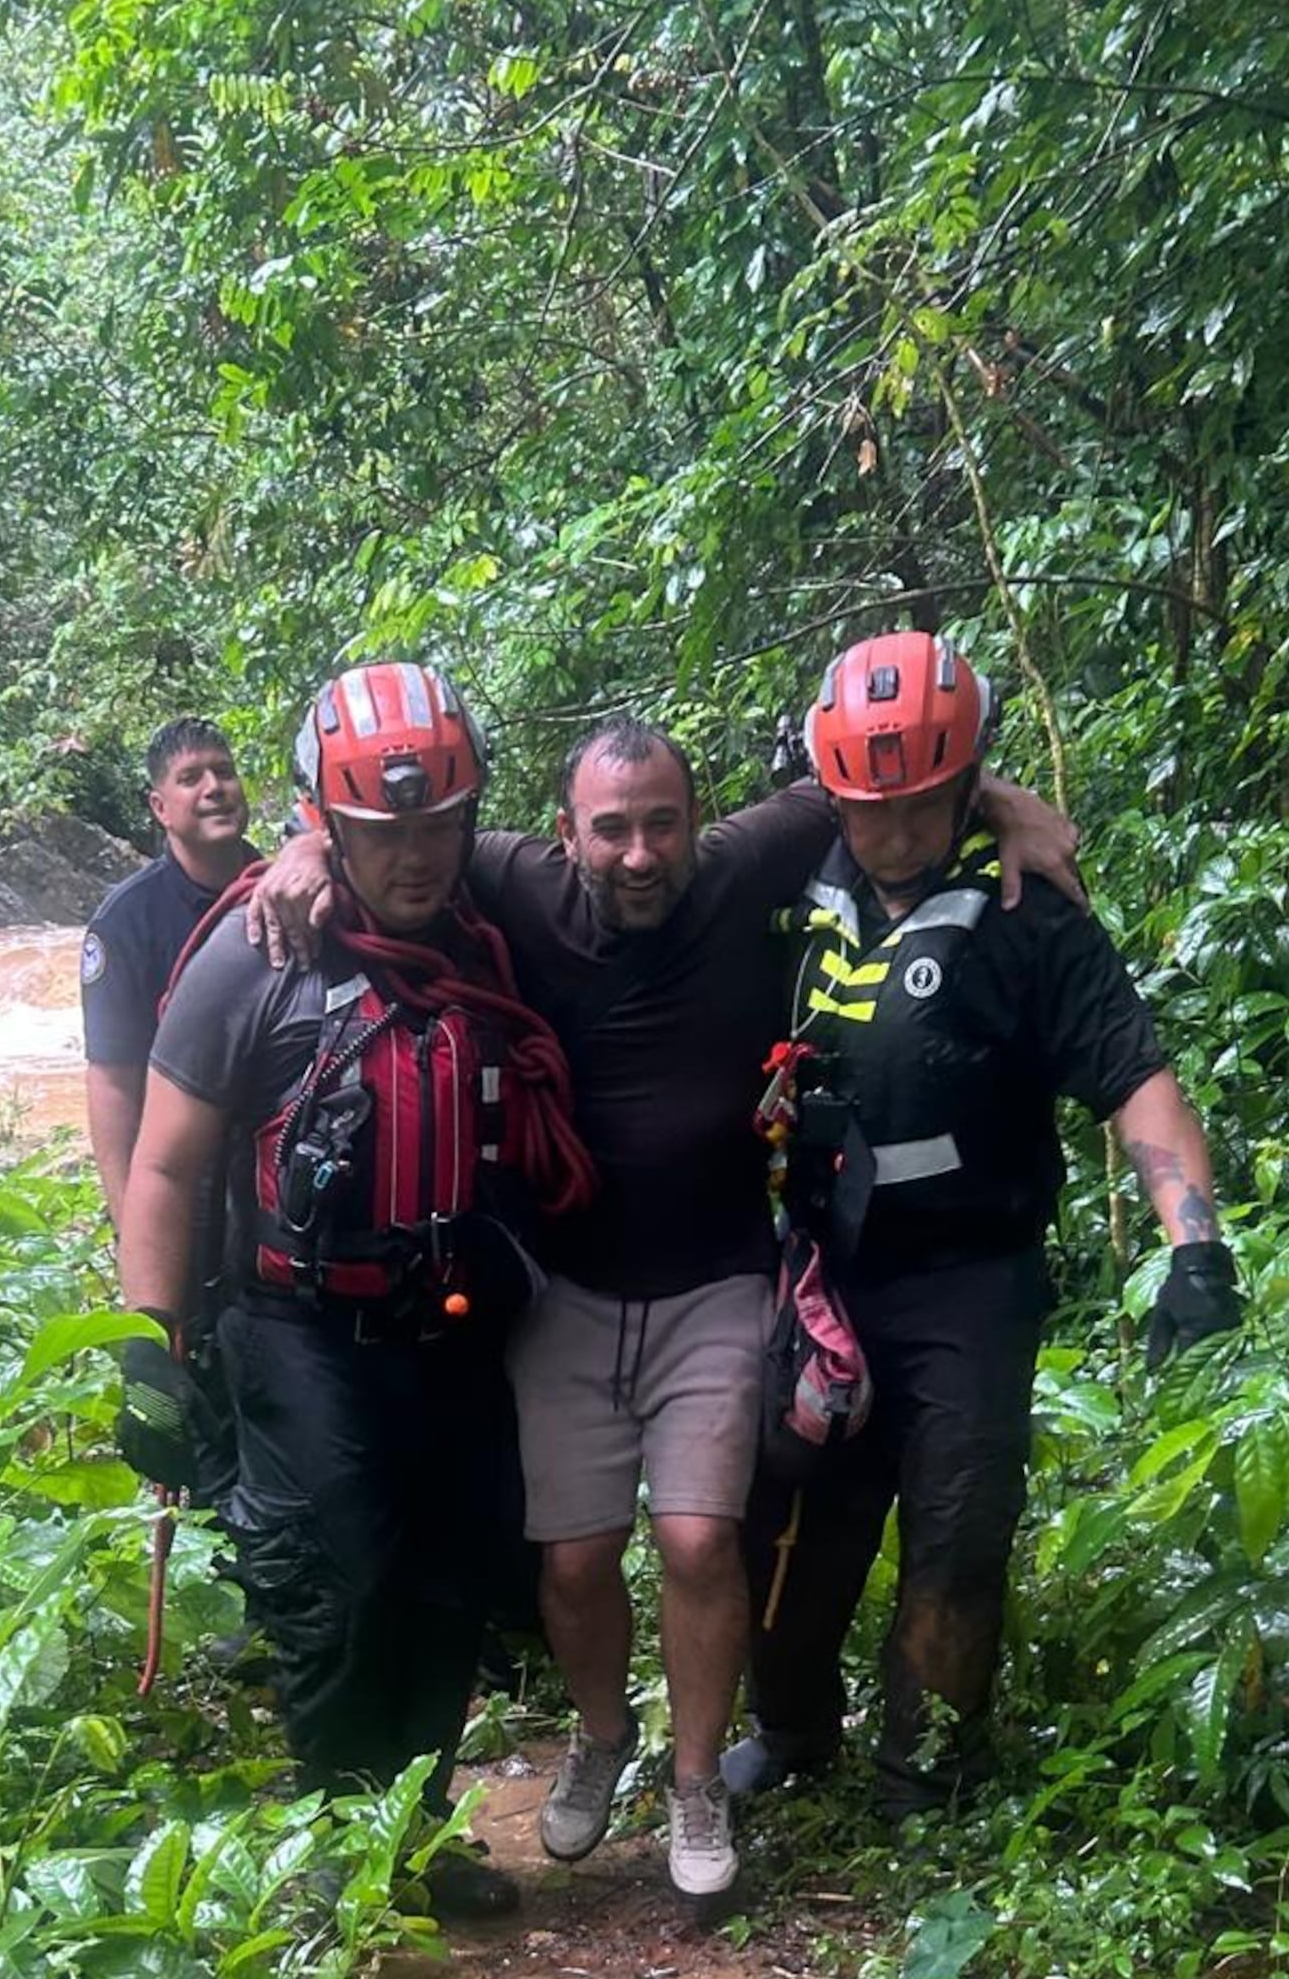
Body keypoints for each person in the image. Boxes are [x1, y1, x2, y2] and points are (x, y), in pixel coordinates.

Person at [249, 720, 1085, 1903]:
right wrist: (301, 853)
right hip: (566, 1289)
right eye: (610, 829)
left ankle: (697, 1783)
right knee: (577, 1556)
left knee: (697, 1538)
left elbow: (891, 784)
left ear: (700, 821)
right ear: (562, 834)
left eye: (660, 825)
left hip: (715, 1279)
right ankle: (600, 1736)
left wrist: (1005, 800)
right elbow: (396, 833)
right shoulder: (509, 877)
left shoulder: (753, 857)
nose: (638, 853)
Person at [728, 628, 1242, 1819]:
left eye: (919, 801)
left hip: (966, 1274)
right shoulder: (793, 880)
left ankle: (927, 1765)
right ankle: (793, 1726)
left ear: (966, 782)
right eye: (866, 803)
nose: (891, 826)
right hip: (817, 1268)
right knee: (783, 1511)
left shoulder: (1027, 911)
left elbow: (1132, 1075)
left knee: (958, 1529)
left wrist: (1194, 1242)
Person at [115, 664, 594, 1918]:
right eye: (384, 832)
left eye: (441, 824)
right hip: (296, 1324)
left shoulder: (492, 926)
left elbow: (685, 862)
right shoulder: (255, 951)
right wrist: (147, 1351)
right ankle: (341, 1842)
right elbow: (165, 1161)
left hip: (454, 1319)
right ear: (326, 825)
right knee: (343, 1575)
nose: (419, 854)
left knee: (449, 1576)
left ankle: (417, 1827)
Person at [81, 717, 258, 1231]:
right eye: (191, 778)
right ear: (159, 808)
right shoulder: (127, 922)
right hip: (185, 1173)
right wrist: (129, 1224)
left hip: (279, 1165)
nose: (214, 789)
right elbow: (114, 1083)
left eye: (224, 772)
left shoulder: (283, 890)